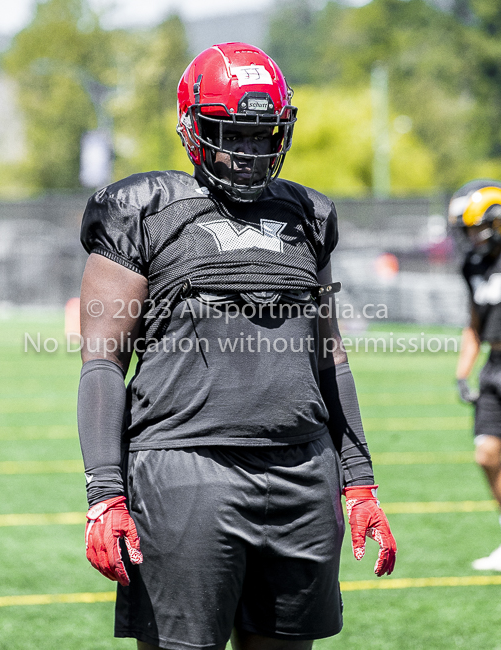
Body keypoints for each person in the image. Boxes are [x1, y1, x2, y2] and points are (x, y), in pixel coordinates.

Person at [78, 42, 396, 650]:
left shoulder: (308, 214)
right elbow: (102, 364)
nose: (250, 153)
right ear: (192, 128)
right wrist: (104, 494)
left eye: (263, 134)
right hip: (186, 471)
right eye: (232, 133)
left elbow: (331, 357)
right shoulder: (141, 210)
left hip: (303, 472)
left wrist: (358, 478)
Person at [449, 179, 501, 570]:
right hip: (493, 368)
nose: (473, 238)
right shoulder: (474, 264)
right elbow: (474, 324)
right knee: (486, 454)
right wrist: (462, 373)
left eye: (477, 228)